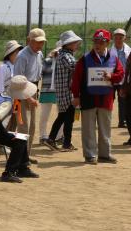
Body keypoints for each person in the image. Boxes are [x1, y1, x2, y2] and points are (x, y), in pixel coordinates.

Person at [71, 29, 124, 164]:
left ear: (107, 43)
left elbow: (121, 74)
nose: (98, 44)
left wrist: (112, 76)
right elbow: (76, 79)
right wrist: (76, 96)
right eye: (96, 41)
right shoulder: (85, 59)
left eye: (101, 42)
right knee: (88, 128)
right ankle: (90, 155)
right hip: (88, 98)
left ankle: (104, 155)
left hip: (106, 99)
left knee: (105, 128)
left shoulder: (114, 58)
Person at [0, 75, 40, 183]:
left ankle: (23, 168)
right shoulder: (7, 102)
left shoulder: (5, 96)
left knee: (22, 138)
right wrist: (6, 134)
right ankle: (8, 173)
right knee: (18, 142)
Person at [46, 30, 83, 151]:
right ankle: (66, 143)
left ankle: (52, 139)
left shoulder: (62, 54)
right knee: (68, 118)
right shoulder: (67, 56)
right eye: (74, 42)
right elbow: (77, 67)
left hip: (62, 92)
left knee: (62, 116)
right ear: (68, 44)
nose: (77, 44)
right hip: (67, 92)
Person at [14, 28, 46, 156]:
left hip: (33, 90)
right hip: (20, 94)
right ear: (30, 41)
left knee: (32, 126)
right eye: (38, 42)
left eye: (42, 42)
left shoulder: (39, 54)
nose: (40, 45)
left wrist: (34, 95)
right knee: (23, 126)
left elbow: (38, 75)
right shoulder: (22, 56)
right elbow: (17, 80)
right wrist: (28, 97)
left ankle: (26, 154)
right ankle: (20, 156)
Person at [38, 42, 62, 148]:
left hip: (60, 92)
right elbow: (39, 74)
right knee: (44, 115)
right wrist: (49, 57)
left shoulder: (64, 62)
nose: (59, 53)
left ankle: (59, 136)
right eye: (57, 51)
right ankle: (43, 136)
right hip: (46, 91)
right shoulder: (47, 61)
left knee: (62, 115)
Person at [111, 28, 130, 128]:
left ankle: (122, 121)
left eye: (121, 37)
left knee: (122, 100)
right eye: (116, 37)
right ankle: (105, 120)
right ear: (113, 38)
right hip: (112, 78)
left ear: (124, 38)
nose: (118, 39)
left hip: (124, 79)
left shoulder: (129, 50)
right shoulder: (109, 51)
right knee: (109, 99)